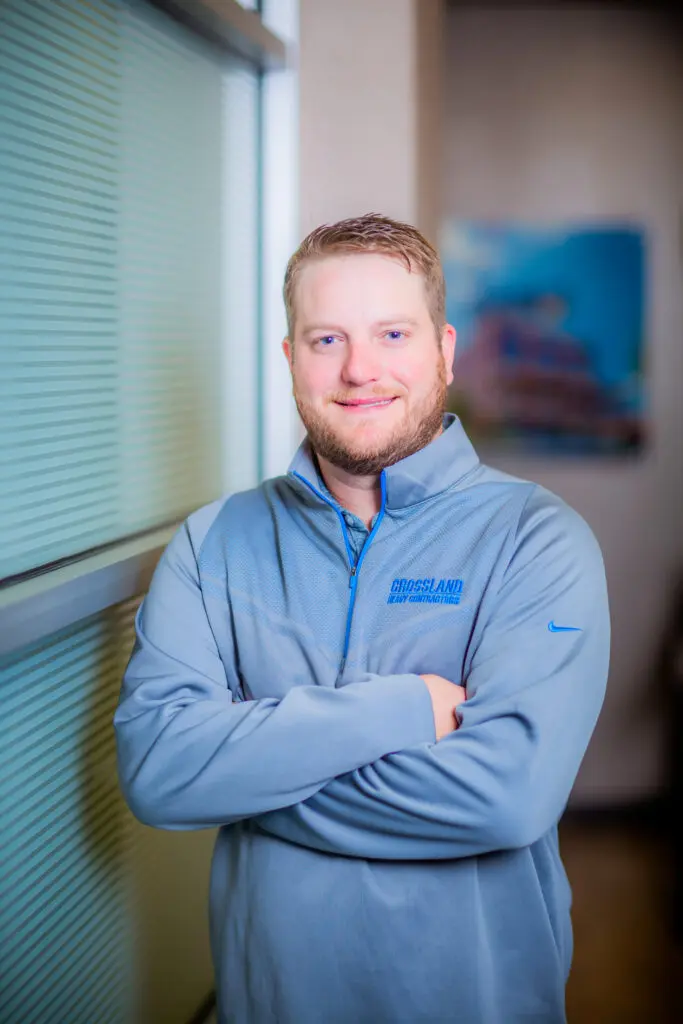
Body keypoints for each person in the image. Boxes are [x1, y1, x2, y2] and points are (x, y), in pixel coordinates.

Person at [115, 213, 610, 1024]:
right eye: (325, 341)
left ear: (443, 351)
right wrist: (406, 707)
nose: (359, 370)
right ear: (289, 360)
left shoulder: (537, 539)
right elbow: (158, 771)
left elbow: (507, 796)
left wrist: (238, 771)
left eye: (390, 333)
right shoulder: (213, 544)